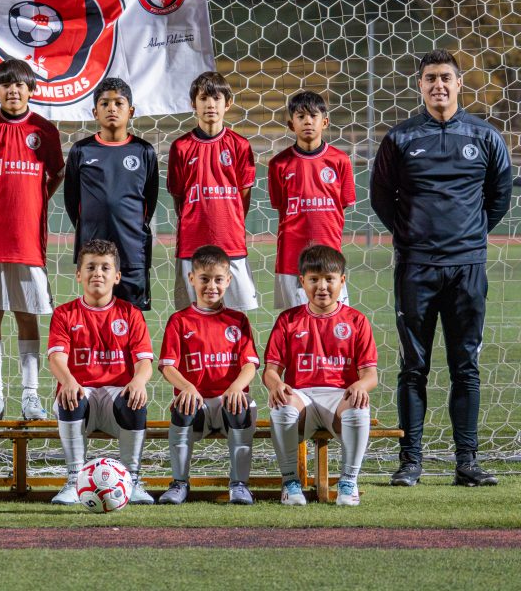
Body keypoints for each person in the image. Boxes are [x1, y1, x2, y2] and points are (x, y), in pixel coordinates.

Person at [371, 48, 512, 488]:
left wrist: (470, 236)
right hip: (416, 267)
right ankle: (410, 462)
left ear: (459, 83)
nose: (438, 85)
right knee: (413, 366)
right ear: (420, 85)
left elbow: (500, 195)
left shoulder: (485, 136)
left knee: (465, 366)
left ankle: (466, 462)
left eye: (446, 77)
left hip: (467, 267)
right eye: (430, 78)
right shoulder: (400, 138)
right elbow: (381, 197)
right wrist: (412, 236)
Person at [0, 58, 64, 421]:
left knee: (27, 315)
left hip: (27, 242)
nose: (13, 91)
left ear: (31, 89)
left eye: (20, 84)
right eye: (6, 85)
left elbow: (58, 173)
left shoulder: (44, 130)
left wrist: (39, 198)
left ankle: (30, 396)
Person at [263, 245, 377, 506]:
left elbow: (370, 375)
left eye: (329, 279)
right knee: (281, 404)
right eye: (314, 279)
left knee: (358, 405)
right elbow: (270, 371)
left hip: (338, 399)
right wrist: (276, 384)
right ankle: (290, 483)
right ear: (302, 281)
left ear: (342, 281)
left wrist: (361, 385)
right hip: (302, 398)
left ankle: (349, 482)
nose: (322, 287)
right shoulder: (288, 320)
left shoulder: (356, 321)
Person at [46, 239, 155, 506]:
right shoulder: (64, 314)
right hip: (81, 397)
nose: (98, 273)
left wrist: (139, 381)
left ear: (117, 276)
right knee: (69, 395)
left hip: (115, 400)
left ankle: (132, 480)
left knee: (135, 398)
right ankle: (74, 481)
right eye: (91, 267)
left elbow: (144, 362)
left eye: (105, 268)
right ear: (78, 274)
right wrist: (68, 381)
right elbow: (56, 358)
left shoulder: (131, 314)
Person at [157, 245, 259, 505]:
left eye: (218, 280)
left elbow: (250, 365)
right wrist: (187, 387)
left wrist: (236, 387)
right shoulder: (179, 321)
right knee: (182, 406)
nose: (211, 286)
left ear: (228, 281)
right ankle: (179, 483)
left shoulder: (238, 320)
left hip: (228, 402)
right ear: (192, 278)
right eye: (204, 279)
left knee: (241, 407)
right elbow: (167, 366)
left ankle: (239, 485)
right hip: (197, 404)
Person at [64, 77, 158, 311]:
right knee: (94, 313)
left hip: (132, 252)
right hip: (92, 252)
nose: (112, 109)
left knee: (132, 317)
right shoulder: (81, 150)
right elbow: (72, 201)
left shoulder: (144, 151)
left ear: (131, 111)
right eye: (105, 104)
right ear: (95, 112)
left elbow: (150, 200)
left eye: (118, 103)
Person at [166, 71, 258, 312]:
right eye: (203, 98)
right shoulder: (180, 147)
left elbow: (244, 195)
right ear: (193, 104)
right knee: (191, 316)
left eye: (216, 98)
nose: (210, 104)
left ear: (227, 104)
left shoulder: (240, 145)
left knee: (236, 316)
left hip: (231, 243)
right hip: (191, 245)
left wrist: (230, 220)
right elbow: (178, 197)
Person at [267, 91, 355, 309]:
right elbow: (281, 207)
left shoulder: (340, 161)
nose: (307, 121)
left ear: (324, 122)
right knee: (296, 322)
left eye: (313, 116)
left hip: (330, 259)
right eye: (300, 116)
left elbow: (341, 206)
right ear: (291, 124)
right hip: (291, 260)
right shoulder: (278, 164)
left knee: (332, 320)